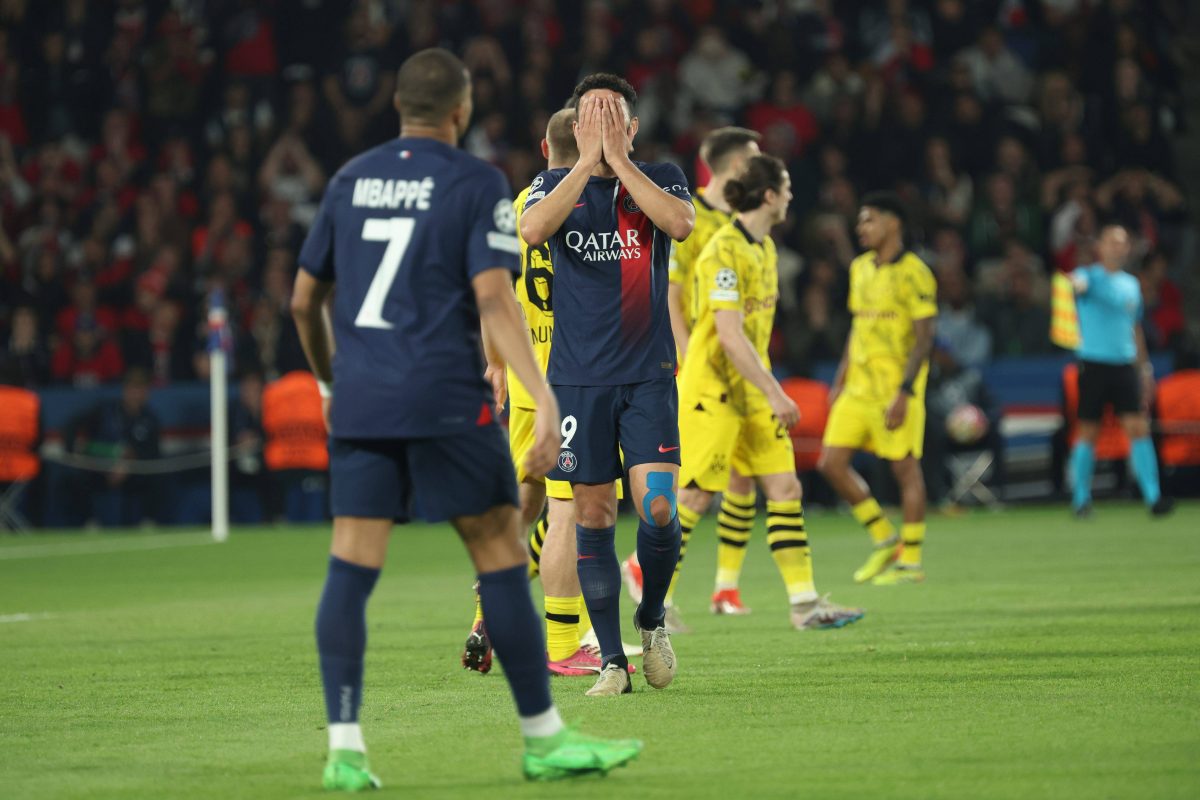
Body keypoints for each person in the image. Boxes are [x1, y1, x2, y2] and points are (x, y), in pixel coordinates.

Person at [291, 49, 642, 791]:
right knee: (497, 553)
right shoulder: (476, 182)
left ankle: (346, 749)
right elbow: (493, 300)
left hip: (362, 399)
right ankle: (543, 738)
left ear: (397, 106)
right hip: (446, 395)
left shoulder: (349, 181)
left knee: (350, 568)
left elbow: (301, 302)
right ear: (461, 110)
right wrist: (543, 397)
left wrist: (329, 382)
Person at [520, 73, 695, 697]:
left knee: (656, 508)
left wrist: (618, 162)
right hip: (577, 380)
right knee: (592, 513)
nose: (603, 126)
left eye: (613, 117)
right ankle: (612, 662)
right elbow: (534, 230)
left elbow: (680, 225)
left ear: (633, 126)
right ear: (576, 127)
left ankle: (650, 620)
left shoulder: (663, 177)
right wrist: (588, 163)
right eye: (591, 118)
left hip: (646, 376)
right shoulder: (553, 187)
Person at [462, 108, 638, 679]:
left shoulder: (518, 207)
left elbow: (495, 293)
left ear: (543, 147)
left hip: (523, 372)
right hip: (573, 377)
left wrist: (494, 362)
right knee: (568, 509)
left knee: (529, 500)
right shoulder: (593, 201)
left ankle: (489, 610)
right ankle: (562, 645)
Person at [677, 154, 864, 630]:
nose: (791, 196)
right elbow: (729, 335)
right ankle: (646, 585)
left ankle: (804, 605)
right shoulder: (723, 251)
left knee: (785, 487)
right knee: (696, 497)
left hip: (751, 390)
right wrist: (777, 392)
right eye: (786, 188)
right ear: (768, 195)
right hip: (713, 388)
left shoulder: (765, 249)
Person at [623, 126, 763, 623]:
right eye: (753, 158)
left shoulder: (743, 221)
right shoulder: (691, 215)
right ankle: (644, 568)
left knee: (745, 474)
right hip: (701, 365)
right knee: (699, 479)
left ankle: (726, 587)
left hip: (737, 364)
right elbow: (671, 292)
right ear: (729, 166)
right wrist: (686, 357)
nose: (760, 165)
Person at [818, 193, 937, 586]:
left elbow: (924, 339)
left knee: (905, 469)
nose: (860, 227)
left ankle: (912, 562)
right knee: (830, 464)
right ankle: (885, 538)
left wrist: (904, 391)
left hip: (894, 389)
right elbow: (858, 327)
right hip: (858, 387)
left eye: (868, 220)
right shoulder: (859, 268)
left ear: (893, 223)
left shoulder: (915, 272)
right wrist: (840, 379)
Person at [1068, 224, 1173, 518]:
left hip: (1124, 364)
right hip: (1094, 363)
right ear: (1100, 246)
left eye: (1122, 242)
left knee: (1138, 427)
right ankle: (1080, 499)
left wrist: (1145, 368)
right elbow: (1073, 285)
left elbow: (1135, 328)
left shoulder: (1131, 285)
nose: (1117, 247)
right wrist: (1076, 283)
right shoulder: (1088, 276)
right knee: (1088, 431)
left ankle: (1153, 497)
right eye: (1112, 242)